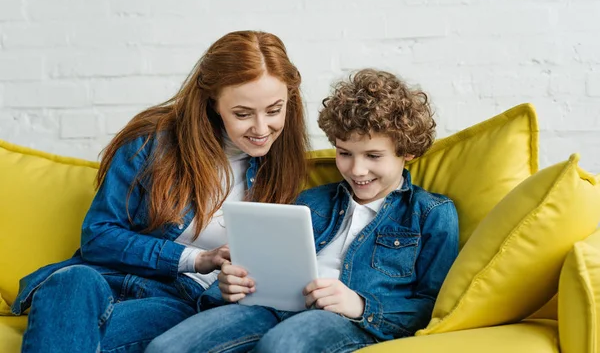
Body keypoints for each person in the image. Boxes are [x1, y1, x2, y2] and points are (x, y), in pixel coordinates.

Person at [12, 30, 309, 353]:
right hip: (103, 279)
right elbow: (98, 235)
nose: (262, 128)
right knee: (71, 281)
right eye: (242, 114)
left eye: (274, 110)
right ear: (212, 104)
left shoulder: (283, 166)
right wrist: (199, 258)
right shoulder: (152, 142)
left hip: (174, 301)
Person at [146, 68, 459, 353]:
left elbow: (435, 307)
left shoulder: (430, 213)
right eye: (344, 153)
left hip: (349, 321)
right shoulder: (311, 201)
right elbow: (261, 270)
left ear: (408, 153)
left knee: (283, 344)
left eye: (374, 156)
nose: (357, 169)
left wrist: (360, 305)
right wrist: (230, 287)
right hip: (271, 307)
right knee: (165, 347)